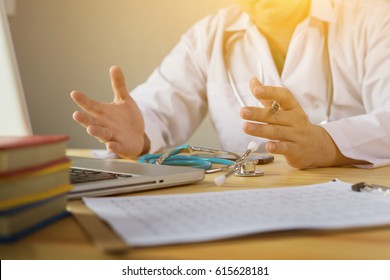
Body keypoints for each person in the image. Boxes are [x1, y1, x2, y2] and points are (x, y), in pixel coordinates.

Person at [70, 0, 390, 169]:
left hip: (357, 198)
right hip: (247, 200)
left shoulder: (375, 19)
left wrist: (327, 143)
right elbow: (154, 113)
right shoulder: (208, 35)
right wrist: (137, 135)